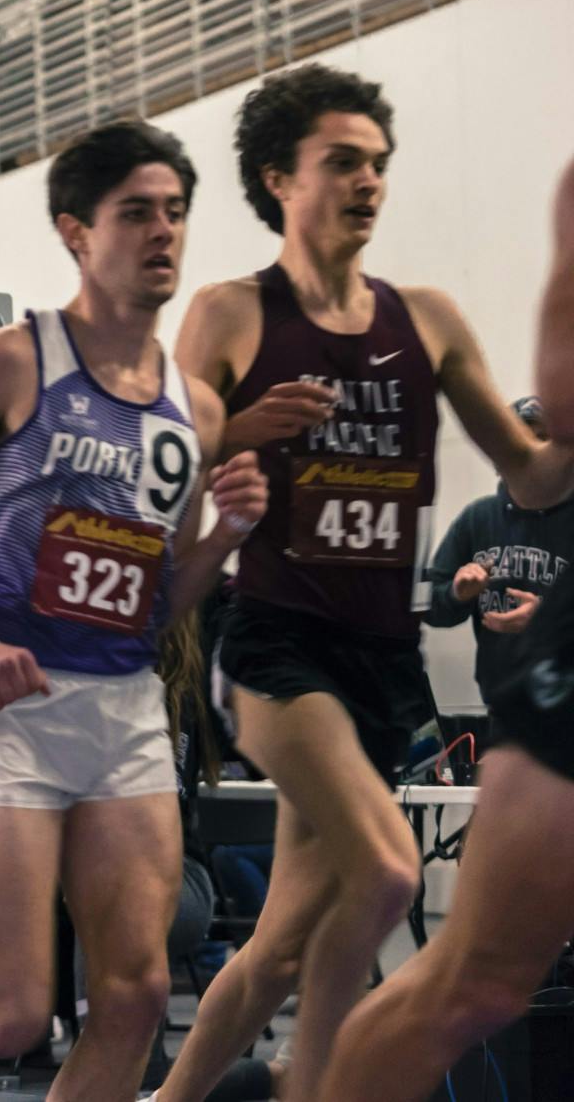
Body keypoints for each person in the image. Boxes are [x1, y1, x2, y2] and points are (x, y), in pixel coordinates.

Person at [156, 66, 574, 1102]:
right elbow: (159, 462)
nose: (366, 182)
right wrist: (236, 433)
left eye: (377, 164)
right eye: (339, 161)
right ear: (276, 179)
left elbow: (531, 473)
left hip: (382, 659)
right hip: (275, 647)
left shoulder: (422, 319)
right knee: (387, 872)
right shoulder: (227, 313)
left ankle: (168, 1100)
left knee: (280, 940)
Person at [0, 120, 268, 1101]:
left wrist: (221, 538)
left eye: (173, 212)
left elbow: (155, 600)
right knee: (6, 1016)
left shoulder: (192, 409)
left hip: (121, 707)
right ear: (76, 232)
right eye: (136, 213)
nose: (162, 232)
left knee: (133, 990)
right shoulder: (5, 361)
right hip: (12, 700)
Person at [312, 159, 574, 1101]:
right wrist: (464, 590)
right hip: (533, 700)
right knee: (484, 973)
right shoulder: (492, 512)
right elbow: (563, 394)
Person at [423, 395, 573, 721]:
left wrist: (547, 623)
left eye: (542, 438)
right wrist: (456, 594)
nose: (530, 451)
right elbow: (427, 604)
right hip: (502, 707)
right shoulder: (478, 520)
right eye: (518, 440)